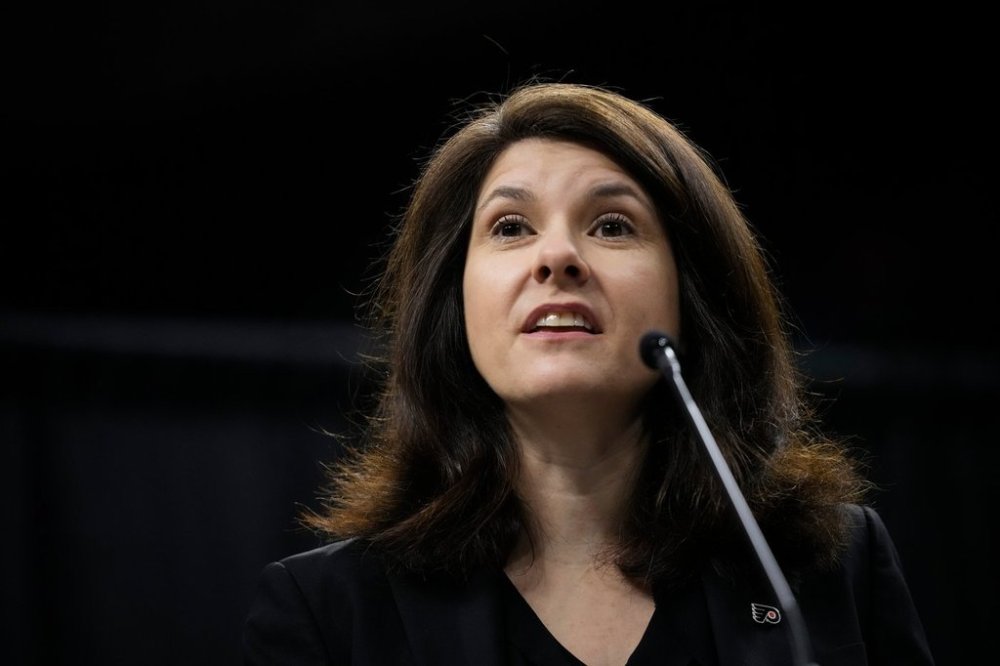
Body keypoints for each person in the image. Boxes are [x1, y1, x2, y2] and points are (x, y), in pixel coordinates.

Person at [242, 81, 934, 665]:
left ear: (692, 297)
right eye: (511, 227)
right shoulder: (331, 614)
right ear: (454, 306)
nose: (558, 258)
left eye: (611, 226)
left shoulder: (830, 575)